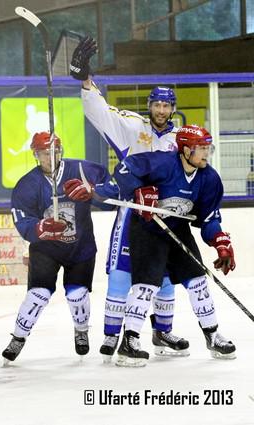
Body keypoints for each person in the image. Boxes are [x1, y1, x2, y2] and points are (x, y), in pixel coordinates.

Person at [70, 36, 189, 362]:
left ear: (173, 109)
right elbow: (100, 112)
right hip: (133, 213)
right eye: (156, 104)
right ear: (149, 105)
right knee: (122, 274)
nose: (161, 110)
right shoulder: (132, 127)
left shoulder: (182, 139)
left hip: (165, 215)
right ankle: (112, 336)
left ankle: (161, 331)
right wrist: (85, 80)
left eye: (166, 106)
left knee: (164, 277)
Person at [82, 124, 236, 366]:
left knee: (198, 281)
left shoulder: (209, 178)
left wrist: (220, 243)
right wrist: (138, 190)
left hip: (177, 228)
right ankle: (129, 342)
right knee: (147, 286)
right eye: (201, 148)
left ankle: (213, 335)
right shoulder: (162, 163)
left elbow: (208, 218)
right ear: (185, 150)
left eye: (209, 148)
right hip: (147, 229)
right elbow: (126, 167)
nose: (207, 153)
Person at [2, 131, 112, 363]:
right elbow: (22, 220)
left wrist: (93, 191)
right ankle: (18, 337)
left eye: (54, 152)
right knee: (38, 295)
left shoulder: (82, 170)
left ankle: (81, 330)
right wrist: (40, 228)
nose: (50, 157)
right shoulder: (27, 185)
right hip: (46, 249)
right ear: (35, 155)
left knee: (77, 294)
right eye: (44, 153)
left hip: (80, 248)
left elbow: (110, 187)